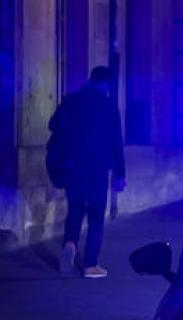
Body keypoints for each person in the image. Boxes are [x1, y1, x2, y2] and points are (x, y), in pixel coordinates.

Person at [49, 66, 126, 278]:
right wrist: (120, 174)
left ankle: (71, 244)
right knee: (95, 217)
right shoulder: (109, 106)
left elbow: (53, 124)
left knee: (75, 210)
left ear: (90, 80)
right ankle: (90, 265)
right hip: (98, 169)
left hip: (73, 167)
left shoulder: (71, 101)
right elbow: (116, 143)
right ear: (108, 84)